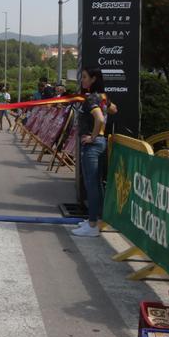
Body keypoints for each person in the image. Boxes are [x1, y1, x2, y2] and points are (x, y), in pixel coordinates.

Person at [71, 67, 111, 237]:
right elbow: (113, 109)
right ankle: (95, 220)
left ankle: (93, 224)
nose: (83, 80)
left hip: (93, 145)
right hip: (101, 143)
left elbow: (100, 118)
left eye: (85, 77)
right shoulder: (103, 97)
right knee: (97, 184)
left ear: (94, 79)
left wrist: (93, 137)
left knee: (92, 185)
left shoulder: (92, 98)